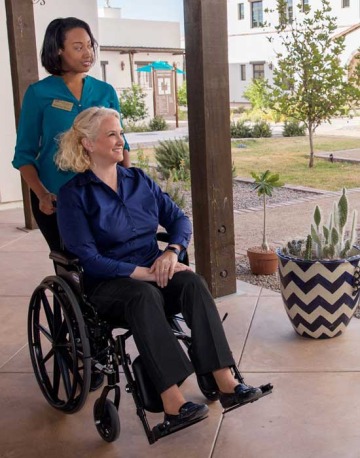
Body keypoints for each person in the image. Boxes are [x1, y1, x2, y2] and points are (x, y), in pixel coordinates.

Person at [55, 107, 263, 430]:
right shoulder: (73, 196)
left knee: (192, 282)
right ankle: (172, 402)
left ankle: (226, 382)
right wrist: (144, 274)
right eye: (111, 134)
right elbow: (89, 258)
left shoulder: (138, 180)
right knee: (143, 297)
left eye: (120, 133)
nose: (120, 140)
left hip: (155, 270)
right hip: (109, 285)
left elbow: (179, 219)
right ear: (87, 143)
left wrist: (172, 253)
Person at [12, 17, 130, 252]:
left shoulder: (105, 91)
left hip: (103, 197)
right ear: (58, 51)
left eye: (89, 45)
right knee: (74, 267)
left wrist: (128, 186)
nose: (87, 53)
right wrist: (43, 195)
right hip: (57, 200)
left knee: (114, 260)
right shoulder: (39, 94)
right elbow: (24, 155)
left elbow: (122, 143)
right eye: (78, 47)